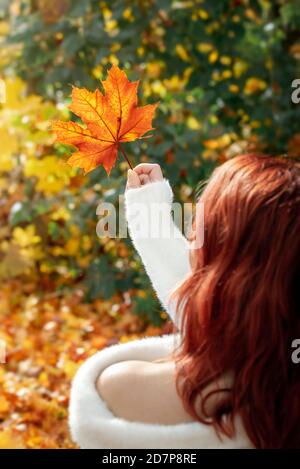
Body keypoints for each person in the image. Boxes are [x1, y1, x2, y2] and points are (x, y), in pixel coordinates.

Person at [69, 153, 300, 449]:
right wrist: (150, 217)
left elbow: (213, 308)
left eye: (201, 228)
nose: (193, 236)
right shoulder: (278, 388)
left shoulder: (124, 387)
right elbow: (222, 309)